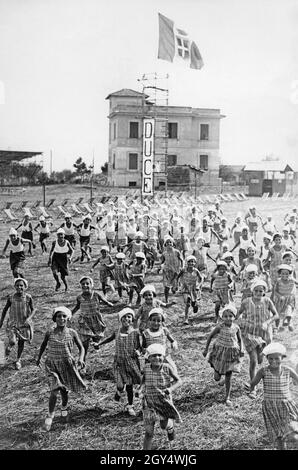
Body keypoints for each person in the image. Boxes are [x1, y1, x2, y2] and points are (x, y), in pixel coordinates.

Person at [36, 306, 86, 431]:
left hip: (66, 366)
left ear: (68, 318)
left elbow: (82, 348)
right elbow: (43, 345)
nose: (61, 318)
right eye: (59, 316)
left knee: (64, 390)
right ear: (54, 318)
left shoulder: (72, 333)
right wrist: (38, 358)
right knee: (54, 390)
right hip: (51, 365)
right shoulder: (50, 332)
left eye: (64, 316)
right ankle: (50, 415)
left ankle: (64, 407)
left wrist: (81, 358)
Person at [248, 342, 298, 450]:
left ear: (282, 358)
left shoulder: (287, 370)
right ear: (267, 358)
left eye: (277, 358)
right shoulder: (263, 371)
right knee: (279, 435)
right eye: (270, 359)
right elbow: (253, 383)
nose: (273, 361)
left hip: (286, 406)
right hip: (270, 407)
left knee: (292, 433)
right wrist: (251, 389)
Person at [94, 308, 142, 417]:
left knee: (129, 385)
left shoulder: (135, 333)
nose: (126, 319)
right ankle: (119, 391)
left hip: (131, 363)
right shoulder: (117, 331)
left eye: (129, 317)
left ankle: (130, 405)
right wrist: (99, 344)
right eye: (124, 317)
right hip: (119, 363)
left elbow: (139, 347)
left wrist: (138, 352)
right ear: (120, 319)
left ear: (132, 319)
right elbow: (108, 339)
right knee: (120, 385)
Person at [237, 279, 279, 395]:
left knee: (261, 359)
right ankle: (253, 388)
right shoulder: (246, 302)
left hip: (264, 334)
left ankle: (254, 380)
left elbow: (276, 315)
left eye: (261, 291)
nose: (258, 293)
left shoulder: (267, 301)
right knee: (254, 361)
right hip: (250, 334)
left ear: (264, 292)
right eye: (256, 290)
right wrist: (240, 322)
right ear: (252, 291)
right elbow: (238, 314)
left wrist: (267, 322)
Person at [141, 343, 182, 450]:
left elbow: (179, 381)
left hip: (163, 402)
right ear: (148, 357)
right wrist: (139, 389)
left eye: (159, 355)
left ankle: (170, 427)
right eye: (154, 355)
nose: (157, 358)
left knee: (164, 426)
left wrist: (170, 389)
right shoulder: (146, 368)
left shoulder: (167, 368)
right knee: (149, 432)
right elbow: (143, 381)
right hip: (149, 403)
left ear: (163, 356)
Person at [203, 303, 244, 406]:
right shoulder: (220, 327)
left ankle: (227, 397)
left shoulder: (236, 328)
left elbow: (240, 340)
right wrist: (206, 349)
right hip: (220, 353)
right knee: (217, 377)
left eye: (230, 316)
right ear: (222, 317)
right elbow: (210, 336)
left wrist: (242, 349)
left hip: (231, 354)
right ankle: (218, 371)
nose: (228, 318)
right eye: (225, 316)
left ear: (234, 317)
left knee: (229, 375)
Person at [71, 276, 113, 373]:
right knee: (84, 343)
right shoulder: (79, 297)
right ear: (81, 286)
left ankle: (96, 342)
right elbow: (77, 307)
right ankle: (82, 364)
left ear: (91, 285)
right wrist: (71, 314)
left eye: (87, 283)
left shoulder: (96, 294)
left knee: (97, 337)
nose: (85, 285)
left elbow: (104, 300)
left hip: (96, 320)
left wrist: (108, 303)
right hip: (84, 322)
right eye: (83, 284)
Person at [0, 278, 35, 370]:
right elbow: (4, 310)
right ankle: (7, 351)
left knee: (21, 342)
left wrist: (29, 318)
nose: (19, 287)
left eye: (21, 285)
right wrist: (1, 321)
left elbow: (34, 309)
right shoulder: (11, 297)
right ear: (14, 286)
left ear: (25, 287)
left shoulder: (28, 297)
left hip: (23, 324)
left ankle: (18, 359)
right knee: (12, 341)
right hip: (13, 323)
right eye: (17, 285)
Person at [142, 308, 178, 373]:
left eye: (159, 321)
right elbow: (144, 346)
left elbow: (172, 340)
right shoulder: (145, 333)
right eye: (153, 320)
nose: (156, 323)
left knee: (170, 371)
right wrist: (144, 351)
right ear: (149, 320)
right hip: (151, 359)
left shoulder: (164, 331)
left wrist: (173, 343)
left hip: (163, 357)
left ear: (162, 322)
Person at [177, 255, 203, 324]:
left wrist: (199, 285)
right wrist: (178, 285)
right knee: (187, 304)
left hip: (194, 289)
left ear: (195, 263)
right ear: (186, 263)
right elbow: (178, 277)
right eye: (189, 262)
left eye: (192, 262)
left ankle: (195, 305)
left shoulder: (196, 271)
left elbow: (201, 278)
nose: (191, 263)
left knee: (193, 302)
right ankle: (186, 318)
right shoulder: (183, 270)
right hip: (185, 288)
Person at [271, 264, 296, 332]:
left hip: (289, 300)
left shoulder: (292, 280)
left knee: (288, 312)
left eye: (287, 274)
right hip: (280, 300)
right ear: (280, 274)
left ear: (289, 274)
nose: (285, 275)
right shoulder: (278, 281)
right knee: (278, 315)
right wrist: (279, 296)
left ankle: (287, 324)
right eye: (283, 273)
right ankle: (276, 327)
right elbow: (275, 291)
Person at [160, 236, 183, 304]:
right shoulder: (164, 253)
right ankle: (166, 299)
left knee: (175, 286)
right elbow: (162, 261)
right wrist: (160, 267)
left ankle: (174, 292)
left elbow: (181, 260)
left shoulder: (177, 252)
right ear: (165, 244)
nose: (169, 243)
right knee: (166, 286)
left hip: (175, 271)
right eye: (167, 242)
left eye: (170, 242)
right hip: (167, 271)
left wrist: (181, 267)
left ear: (173, 243)